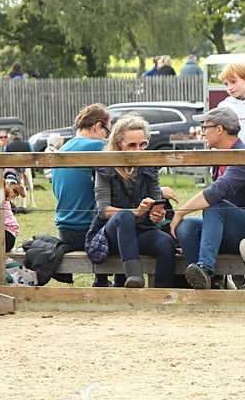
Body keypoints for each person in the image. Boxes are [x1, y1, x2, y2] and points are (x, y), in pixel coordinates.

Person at [171, 107, 245, 290]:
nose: (203, 132)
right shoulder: (221, 156)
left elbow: (216, 192)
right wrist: (180, 219)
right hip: (229, 227)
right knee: (185, 227)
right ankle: (204, 281)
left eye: (205, 127)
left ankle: (206, 268)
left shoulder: (244, 156)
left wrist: (179, 212)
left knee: (215, 206)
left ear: (219, 129)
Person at [83, 115, 178, 288]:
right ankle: (134, 278)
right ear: (119, 143)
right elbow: (103, 210)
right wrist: (136, 212)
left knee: (165, 242)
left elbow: (156, 201)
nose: (138, 150)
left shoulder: (150, 165)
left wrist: (157, 214)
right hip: (109, 233)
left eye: (143, 144)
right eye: (132, 145)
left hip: (141, 229)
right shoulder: (105, 165)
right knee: (125, 216)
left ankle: (163, 293)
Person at [50, 104, 111, 256]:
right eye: (107, 131)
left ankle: (103, 280)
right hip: (89, 232)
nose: (107, 137)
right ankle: (118, 279)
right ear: (97, 126)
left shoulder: (63, 149)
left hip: (64, 231)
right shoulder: (99, 146)